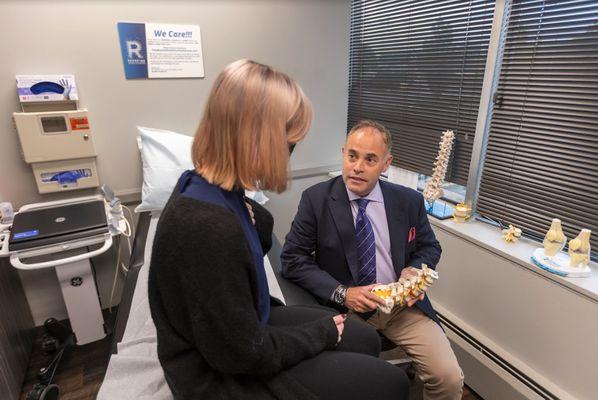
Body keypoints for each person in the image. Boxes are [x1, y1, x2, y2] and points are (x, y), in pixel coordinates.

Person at [148, 60, 409, 400]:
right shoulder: (206, 226)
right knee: (392, 383)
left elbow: (253, 237)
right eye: (289, 144)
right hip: (216, 374)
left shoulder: (210, 186)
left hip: (247, 324)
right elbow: (242, 353)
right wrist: (321, 335)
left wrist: (251, 212)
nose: (289, 155)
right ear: (256, 140)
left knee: (366, 339)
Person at [281, 120, 464, 400]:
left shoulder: (407, 201)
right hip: (346, 311)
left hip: (402, 308)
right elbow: (293, 259)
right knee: (354, 386)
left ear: (386, 164)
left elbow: (430, 246)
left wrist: (415, 270)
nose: (357, 167)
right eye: (352, 156)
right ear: (343, 154)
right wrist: (343, 293)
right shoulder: (316, 199)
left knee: (449, 378)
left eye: (370, 159)